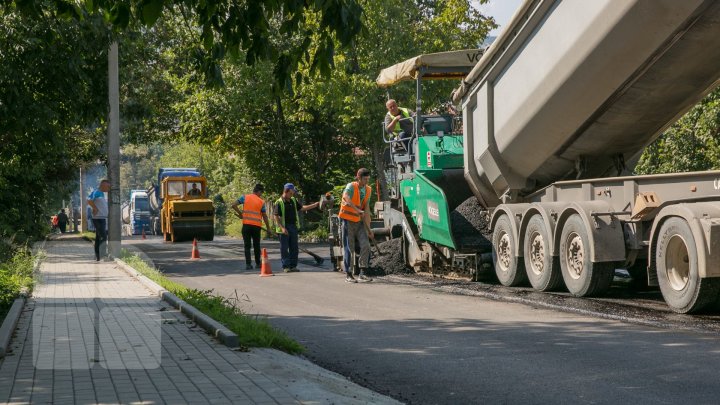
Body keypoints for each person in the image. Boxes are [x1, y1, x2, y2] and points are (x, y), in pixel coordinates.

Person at [273, 183, 319, 273]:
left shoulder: (293, 200)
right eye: (291, 193)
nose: (292, 194)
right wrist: (282, 228)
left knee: (294, 247)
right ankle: (286, 266)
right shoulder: (279, 202)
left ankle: (293, 266)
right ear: (286, 191)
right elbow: (276, 216)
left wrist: (314, 205)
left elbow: (302, 208)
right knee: (284, 248)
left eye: (293, 193)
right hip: (284, 228)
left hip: (293, 227)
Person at [339, 168, 374, 283]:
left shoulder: (368, 189)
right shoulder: (351, 186)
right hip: (347, 221)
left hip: (359, 222)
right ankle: (348, 274)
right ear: (358, 178)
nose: (366, 181)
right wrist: (356, 209)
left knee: (366, 246)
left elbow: (366, 208)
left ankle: (362, 273)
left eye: (368, 179)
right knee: (350, 248)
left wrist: (369, 228)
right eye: (365, 179)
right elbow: (346, 198)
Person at [231, 184, 272, 270]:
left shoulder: (245, 197)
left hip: (246, 226)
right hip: (256, 227)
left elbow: (233, 205)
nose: (261, 195)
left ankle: (248, 264)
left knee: (247, 246)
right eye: (261, 193)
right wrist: (268, 228)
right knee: (256, 245)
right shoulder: (261, 202)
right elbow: (264, 216)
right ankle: (258, 263)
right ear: (259, 191)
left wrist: (240, 214)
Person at [87, 179, 110, 261]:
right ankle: (102, 255)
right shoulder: (96, 192)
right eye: (108, 186)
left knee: (98, 237)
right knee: (103, 236)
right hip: (97, 218)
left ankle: (98, 256)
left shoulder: (102, 194)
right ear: (103, 185)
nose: (108, 188)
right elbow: (89, 200)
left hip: (102, 218)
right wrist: (95, 208)